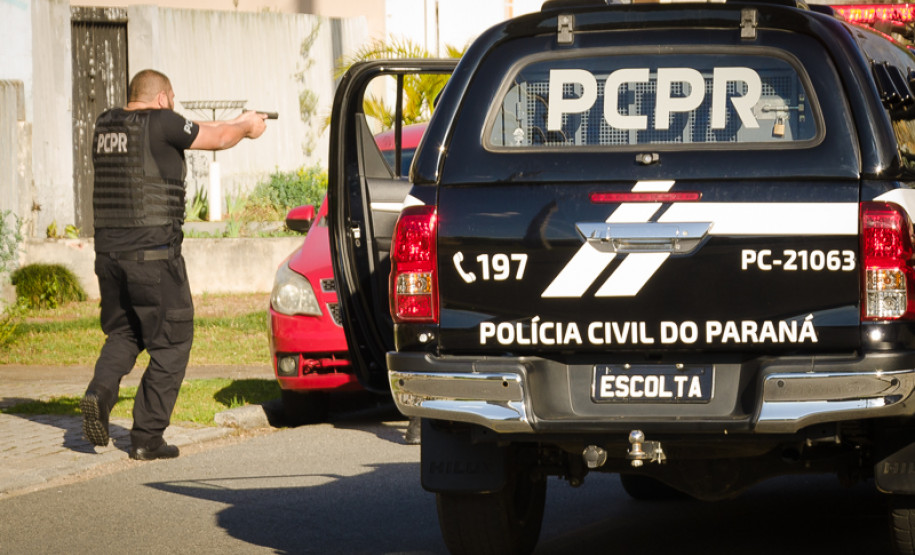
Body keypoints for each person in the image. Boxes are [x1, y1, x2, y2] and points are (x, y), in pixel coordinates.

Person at [80, 69, 267, 460]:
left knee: (125, 334)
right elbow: (215, 137)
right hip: (154, 259)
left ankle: (98, 395)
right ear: (163, 98)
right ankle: (147, 438)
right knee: (173, 343)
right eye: (173, 100)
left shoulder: (104, 125)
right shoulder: (163, 121)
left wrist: (242, 118)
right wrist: (247, 130)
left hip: (109, 258)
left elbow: (203, 126)